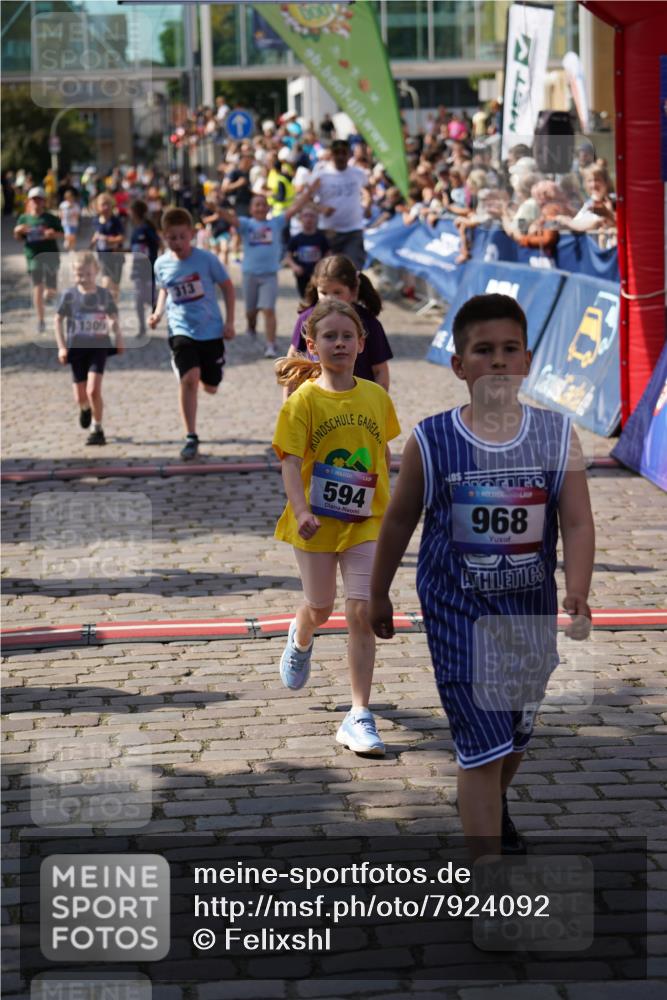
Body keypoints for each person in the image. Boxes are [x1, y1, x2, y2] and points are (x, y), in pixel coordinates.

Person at [369, 294, 594, 858]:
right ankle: (488, 879)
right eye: (483, 350)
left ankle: (488, 803)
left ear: (528, 361)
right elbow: (399, 519)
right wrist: (377, 593)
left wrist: (578, 591)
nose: (497, 361)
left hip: (529, 614)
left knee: (514, 736)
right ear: (459, 364)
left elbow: (578, 520)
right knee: (482, 744)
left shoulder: (557, 436)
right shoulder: (431, 439)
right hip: (457, 611)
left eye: (509, 350)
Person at [273, 299, 401, 754]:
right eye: (330, 336)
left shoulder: (376, 397)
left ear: (361, 344)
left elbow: (384, 456)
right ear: (312, 345)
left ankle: (359, 713)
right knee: (321, 606)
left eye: (348, 336)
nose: (340, 343)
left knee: (361, 611)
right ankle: (301, 633)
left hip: (367, 522)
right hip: (316, 525)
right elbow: (289, 464)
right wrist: (302, 510)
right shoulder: (303, 402)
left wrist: (394, 505)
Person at [148, 207, 236, 461]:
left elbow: (228, 288)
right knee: (190, 378)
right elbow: (165, 289)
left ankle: (199, 372)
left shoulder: (207, 260)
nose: (177, 243)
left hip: (210, 331)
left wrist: (230, 322)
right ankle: (191, 435)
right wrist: (157, 313)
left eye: (181, 237)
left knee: (210, 387)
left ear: (191, 235)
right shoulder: (161, 263)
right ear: (164, 237)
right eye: (171, 238)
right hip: (180, 329)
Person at [218, 191, 309, 358]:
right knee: (250, 311)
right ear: (251, 209)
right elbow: (230, 218)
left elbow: (294, 208)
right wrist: (215, 208)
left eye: (263, 204)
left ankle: (270, 345)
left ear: (268, 207)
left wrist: (308, 193)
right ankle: (251, 326)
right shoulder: (246, 224)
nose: (260, 207)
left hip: (270, 275)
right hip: (250, 274)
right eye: (256, 205)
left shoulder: (276, 222)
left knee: (268, 309)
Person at [287, 255, 392, 393]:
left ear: (353, 291)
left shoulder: (369, 323)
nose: (330, 298)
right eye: (324, 292)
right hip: (316, 404)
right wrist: (288, 404)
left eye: (337, 292)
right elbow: (292, 365)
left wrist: (378, 405)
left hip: (358, 406)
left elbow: (380, 371)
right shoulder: (306, 319)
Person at [54, 251, 124, 445]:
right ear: (73, 274)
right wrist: (61, 347)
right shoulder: (69, 295)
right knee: (80, 396)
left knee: (93, 390)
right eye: (78, 274)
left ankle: (97, 428)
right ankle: (85, 409)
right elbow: (57, 320)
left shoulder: (104, 295)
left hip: (98, 347)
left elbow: (113, 318)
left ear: (97, 272)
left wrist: (118, 338)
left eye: (87, 274)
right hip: (76, 349)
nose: (83, 278)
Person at [310, 137, 370, 269]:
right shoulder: (321, 175)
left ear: (349, 154)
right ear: (331, 154)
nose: (340, 156)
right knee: (328, 272)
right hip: (329, 231)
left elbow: (368, 189)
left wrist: (367, 205)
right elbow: (307, 200)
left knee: (354, 271)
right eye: (337, 153)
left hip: (353, 230)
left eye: (344, 152)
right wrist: (321, 208)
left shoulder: (358, 173)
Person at [13, 186, 64, 333]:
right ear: (29, 201)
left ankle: (55, 315)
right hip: (33, 255)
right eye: (33, 199)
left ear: (44, 201)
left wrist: (52, 234)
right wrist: (17, 231)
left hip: (51, 256)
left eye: (39, 199)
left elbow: (62, 234)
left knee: (51, 290)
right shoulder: (24, 218)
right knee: (37, 287)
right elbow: (18, 238)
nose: (36, 202)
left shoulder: (50, 218)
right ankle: (40, 320)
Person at [129, 199, 161, 338]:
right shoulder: (135, 229)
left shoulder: (147, 228)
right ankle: (142, 327)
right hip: (137, 269)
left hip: (148, 268)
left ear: (135, 212)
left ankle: (157, 307)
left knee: (148, 298)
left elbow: (156, 243)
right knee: (138, 300)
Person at [284, 204, 330, 297]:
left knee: (319, 299)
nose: (309, 219)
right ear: (300, 219)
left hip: (318, 276)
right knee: (306, 300)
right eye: (306, 215)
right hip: (302, 275)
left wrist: (323, 267)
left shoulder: (321, 238)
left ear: (317, 219)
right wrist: (295, 267)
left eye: (312, 216)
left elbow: (328, 254)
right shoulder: (296, 239)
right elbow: (288, 257)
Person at [90, 193, 125, 302]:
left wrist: (107, 239)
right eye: (103, 205)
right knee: (105, 282)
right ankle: (105, 306)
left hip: (116, 255)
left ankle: (114, 306)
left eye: (108, 204)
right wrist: (93, 241)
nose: (105, 207)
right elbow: (94, 238)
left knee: (115, 284)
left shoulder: (116, 221)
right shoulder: (95, 221)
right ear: (97, 206)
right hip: (103, 256)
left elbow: (121, 238)